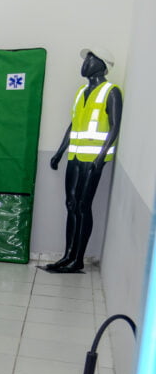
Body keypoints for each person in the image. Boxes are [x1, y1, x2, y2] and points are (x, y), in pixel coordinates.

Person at [44, 48, 122, 273]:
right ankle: (67, 255)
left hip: (92, 160)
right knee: (70, 204)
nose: (85, 63)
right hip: (75, 156)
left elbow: (115, 126)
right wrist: (60, 152)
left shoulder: (111, 91)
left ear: (101, 64)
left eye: (90, 59)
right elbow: (74, 124)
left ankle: (77, 259)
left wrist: (101, 157)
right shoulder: (81, 92)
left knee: (82, 206)